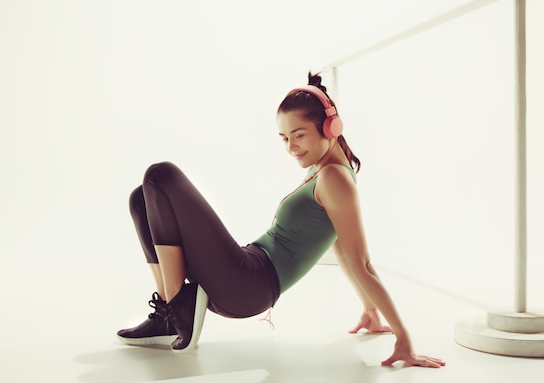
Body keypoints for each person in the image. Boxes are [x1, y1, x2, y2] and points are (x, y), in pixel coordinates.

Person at [116, 73, 445, 368]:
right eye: (285, 138)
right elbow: (342, 249)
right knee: (141, 199)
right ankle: (170, 315)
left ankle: (179, 309)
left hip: (249, 283)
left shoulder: (335, 179)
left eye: (299, 135)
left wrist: (404, 337)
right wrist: (370, 311)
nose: (291, 147)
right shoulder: (324, 172)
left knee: (160, 175)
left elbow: (362, 262)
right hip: (244, 273)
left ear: (331, 128)